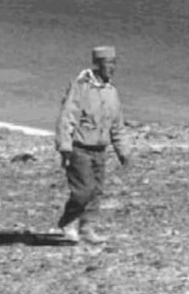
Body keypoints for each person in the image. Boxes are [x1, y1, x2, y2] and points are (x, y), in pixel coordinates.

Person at [53, 45, 132, 245]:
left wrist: (124, 151)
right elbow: (68, 117)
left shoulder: (111, 92)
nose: (112, 67)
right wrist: (65, 146)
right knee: (83, 191)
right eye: (108, 63)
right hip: (80, 148)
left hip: (100, 150)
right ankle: (68, 221)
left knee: (96, 192)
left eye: (115, 63)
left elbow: (117, 125)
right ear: (98, 64)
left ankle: (87, 228)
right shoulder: (81, 87)